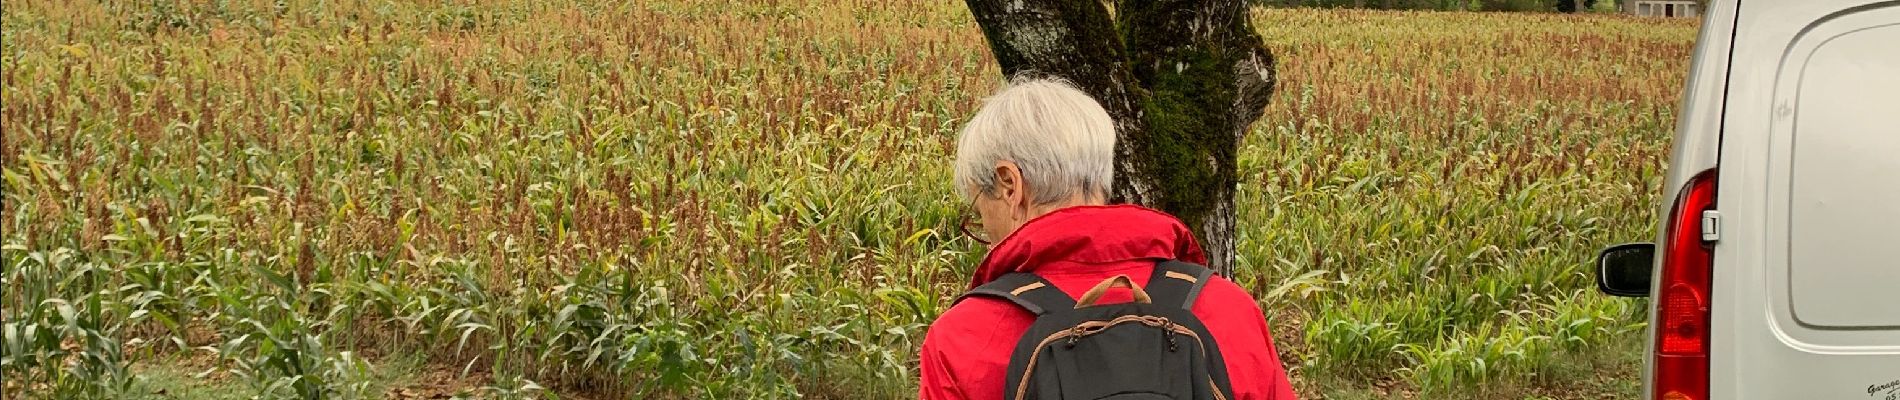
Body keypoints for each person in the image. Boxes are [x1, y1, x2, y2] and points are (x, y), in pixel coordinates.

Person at [918, 76, 1298, 400]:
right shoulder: (1228, 309)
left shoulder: (962, 339)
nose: (986, 228)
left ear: (1009, 184)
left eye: (980, 208)